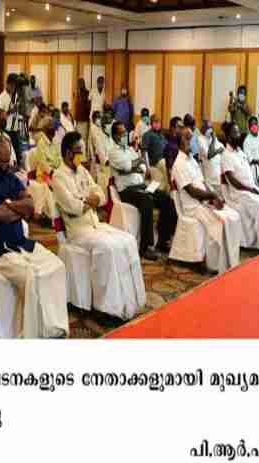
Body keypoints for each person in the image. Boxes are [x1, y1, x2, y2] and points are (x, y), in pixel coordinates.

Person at [0, 135, 69, 339]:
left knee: (57, 266)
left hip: (21, 243)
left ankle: (53, 327)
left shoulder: (12, 178)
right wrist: (16, 209)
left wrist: (8, 205)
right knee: (31, 278)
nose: (5, 165)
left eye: (8, 160)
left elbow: (30, 206)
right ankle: (33, 335)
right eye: (1, 160)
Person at [53, 131, 146, 320]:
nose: (81, 155)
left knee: (127, 240)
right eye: (78, 151)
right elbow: (72, 207)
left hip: (95, 224)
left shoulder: (83, 171)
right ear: (68, 153)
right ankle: (106, 308)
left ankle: (131, 300)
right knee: (108, 249)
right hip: (78, 232)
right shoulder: (58, 176)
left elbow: (101, 195)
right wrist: (87, 201)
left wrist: (87, 200)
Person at [172, 127, 241, 273]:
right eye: (189, 139)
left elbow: (203, 184)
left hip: (203, 201)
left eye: (193, 139)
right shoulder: (179, 164)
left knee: (232, 215)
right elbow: (192, 192)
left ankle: (231, 259)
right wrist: (212, 197)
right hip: (193, 206)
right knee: (221, 222)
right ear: (181, 142)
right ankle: (215, 264)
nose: (193, 142)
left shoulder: (192, 160)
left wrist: (214, 197)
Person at [108, 121, 177, 260]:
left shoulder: (129, 150)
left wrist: (135, 165)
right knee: (147, 200)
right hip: (127, 190)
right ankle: (145, 247)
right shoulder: (113, 152)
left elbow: (143, 168)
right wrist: (134, 165)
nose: (125, 135)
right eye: (122, 133)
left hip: (141, 185)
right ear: (115, 136)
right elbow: (126, 166)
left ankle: (163, 240)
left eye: (125, 132)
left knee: (166, 199)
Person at [221, 122, 259, 253]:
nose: (239, 135)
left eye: (238, 132)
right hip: (239, 193)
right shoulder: (226, 155)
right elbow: (232, 180)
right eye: (235, 133)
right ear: (228, 136)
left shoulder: (239, 151)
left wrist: (254, 187)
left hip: (250, 188)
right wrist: (249, 189)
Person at [0, 73, 24, 166]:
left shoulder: (15, 96)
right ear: (8, 84)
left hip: (15, 130)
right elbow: (1, 115)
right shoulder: (2, 97)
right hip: (7, 131)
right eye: (12, 86)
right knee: (9, 156)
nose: (14, 88)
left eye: (15, 86)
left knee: (19, 155)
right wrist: (11, 110)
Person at [141, 114, 169, 192]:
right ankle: (169, 191)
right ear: (151, 123)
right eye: (155, 122)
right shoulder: (147, 135)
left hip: (163, 160)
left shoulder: (162, 135)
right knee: (164, 163)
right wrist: (147, 168)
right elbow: (144, 152)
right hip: (155, 162)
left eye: (159, 122)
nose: (157, 124)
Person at [198, 120, 225, 188]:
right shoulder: (200, 139)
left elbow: (222, 149)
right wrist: (217, 150)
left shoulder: (213, 138)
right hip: (210, 178)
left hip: (219, 176)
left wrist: (215, 151)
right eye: (208, 128)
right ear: (202, 129)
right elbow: (209, 155)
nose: (210, 130)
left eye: (211, 128)